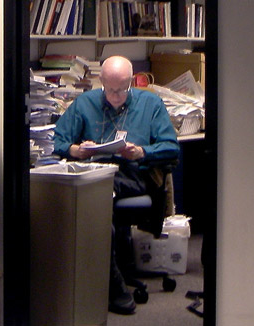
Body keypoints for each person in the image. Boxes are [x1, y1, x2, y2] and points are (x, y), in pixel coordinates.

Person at [53, 55, 180, 315]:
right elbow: (57, 141)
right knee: (98, 191)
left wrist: (142, 152)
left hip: (135, 174)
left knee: (99, 192)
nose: (116, 96)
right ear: (101, 82)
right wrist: (77, 150)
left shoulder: (150, 103)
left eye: (123, 89)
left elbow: (171, 147)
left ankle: (111, 284)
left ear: (132, 82)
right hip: (95, 170)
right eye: (110, 90)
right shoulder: (84, 103)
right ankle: (109, 276)